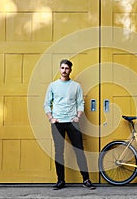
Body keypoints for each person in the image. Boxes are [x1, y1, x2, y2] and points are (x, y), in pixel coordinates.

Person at [43, 59, 96, 190]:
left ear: (70, 70)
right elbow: (46, 104)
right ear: (59, 69)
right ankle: (60, 181)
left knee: (79, 151)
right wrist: (51, 118)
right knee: (59, 152)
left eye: (67, 68)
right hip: (58, 123)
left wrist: (78, 116)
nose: (64, 70)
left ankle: (86, 180)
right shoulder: (53, 86)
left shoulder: (76, 86)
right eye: (62, 68)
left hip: (72, 123)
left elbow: (80, 103)